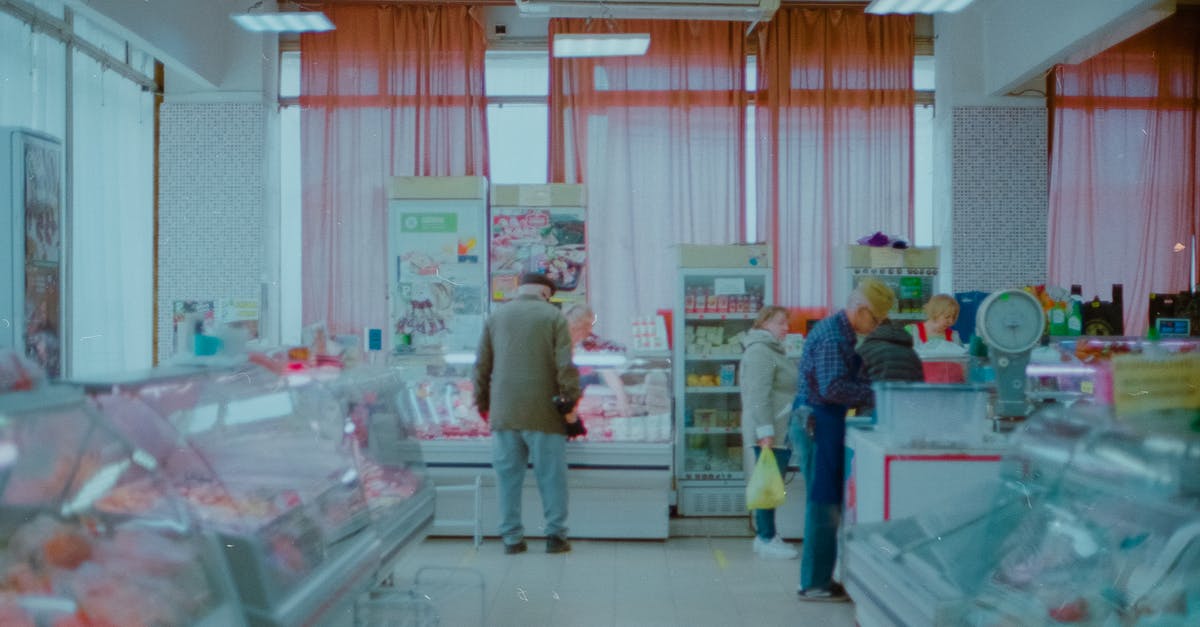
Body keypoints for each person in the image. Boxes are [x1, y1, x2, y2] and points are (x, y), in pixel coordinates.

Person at [791, 277, 895, 602]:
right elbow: (832, 388)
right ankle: (814, 583)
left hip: (825, 420)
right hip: (817, 422)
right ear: (861, 309)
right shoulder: (834, 338)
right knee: (823, 503)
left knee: (828, 502)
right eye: (875, 320)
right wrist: (875, 394)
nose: (875, 327)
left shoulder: (845, 334)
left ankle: (821, 577)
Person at [473, 272, 581, 555]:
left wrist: (483, 404)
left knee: (508, 479)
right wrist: (569, 404)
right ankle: (555, 536)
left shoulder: (497, 316)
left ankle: (511, 539)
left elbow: (481, 366)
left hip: (504, 412)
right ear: (546, 293)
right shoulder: (553, 317)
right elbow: (565, 366)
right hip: (545, 413)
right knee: (551, 478)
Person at [739, 305, 799, 560]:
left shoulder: (771, 349)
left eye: (787, 323)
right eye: (781, 323)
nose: (786, 328)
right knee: (767, 485)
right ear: (764, 324)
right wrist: (765, 432)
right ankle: (765, 537)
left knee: (770, 484)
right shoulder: (760, 352)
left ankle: (768, 536)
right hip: (769, 430)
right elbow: (758, 395)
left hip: (776, 427)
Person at [857, 320, 925, 383]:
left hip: (876, 395)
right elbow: (919, 388)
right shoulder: (913, 355)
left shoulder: (863, 352)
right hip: (906, 396)